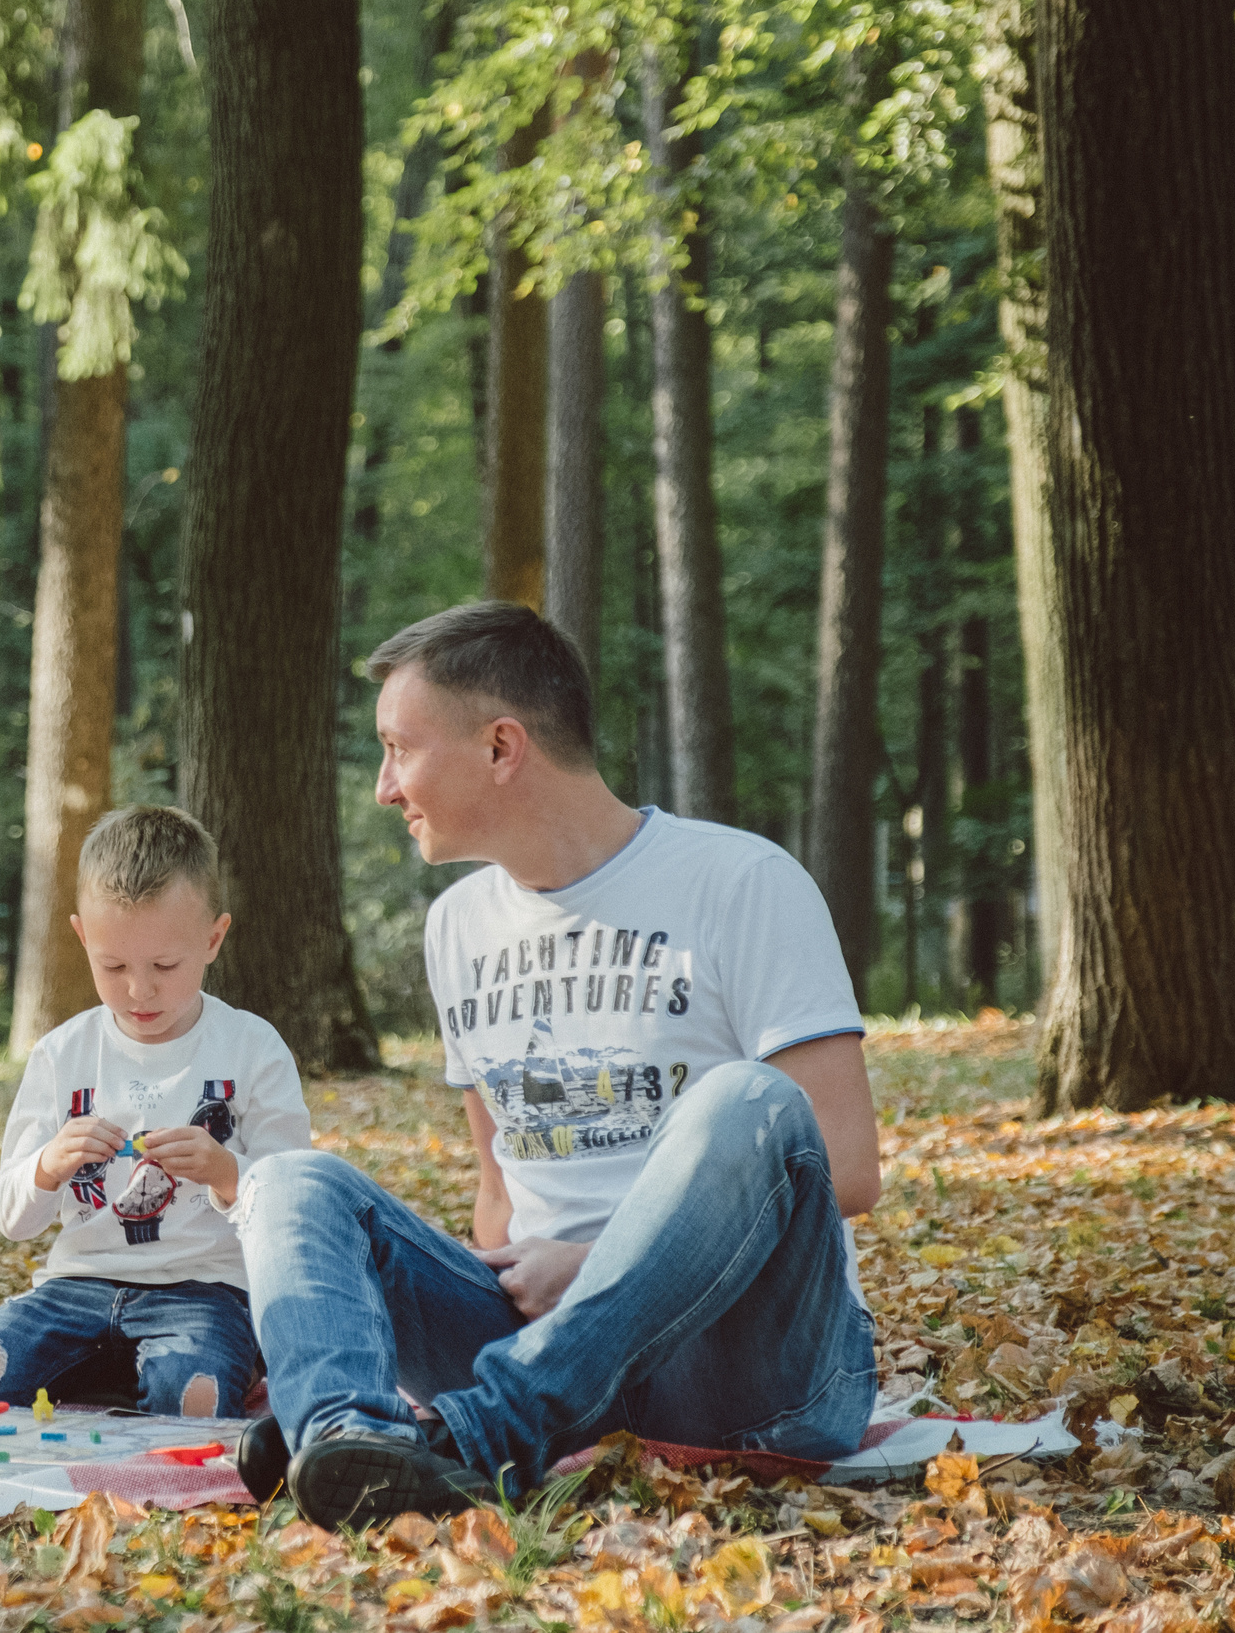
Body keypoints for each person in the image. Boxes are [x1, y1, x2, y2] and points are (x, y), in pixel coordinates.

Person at [234, 602, 882, 1527]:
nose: (383, 787)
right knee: (289, 1180)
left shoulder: (742, 881)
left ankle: (479, 1433)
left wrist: (588, 1266)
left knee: (748, 1100)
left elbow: (844, 1166)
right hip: (547, 1354)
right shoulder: (457, 926)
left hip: (749, 1370)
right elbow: (500, 1190)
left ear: (501, 747)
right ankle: (349, 1438)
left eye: (398, 749)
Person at [0, 806, 314, 1419]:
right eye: (113, 966)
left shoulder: (252, 1047)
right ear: (83, 937)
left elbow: (297, 1207)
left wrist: (224, 1171)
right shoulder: (62, 1054)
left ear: (213, 939)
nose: (140, 990)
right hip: (76, 1288)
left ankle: (168, 1369)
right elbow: (11, 1217)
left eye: (165, 966)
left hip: (204, 1292)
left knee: (194, 1400)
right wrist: (49, 1165)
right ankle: (121, 1367)